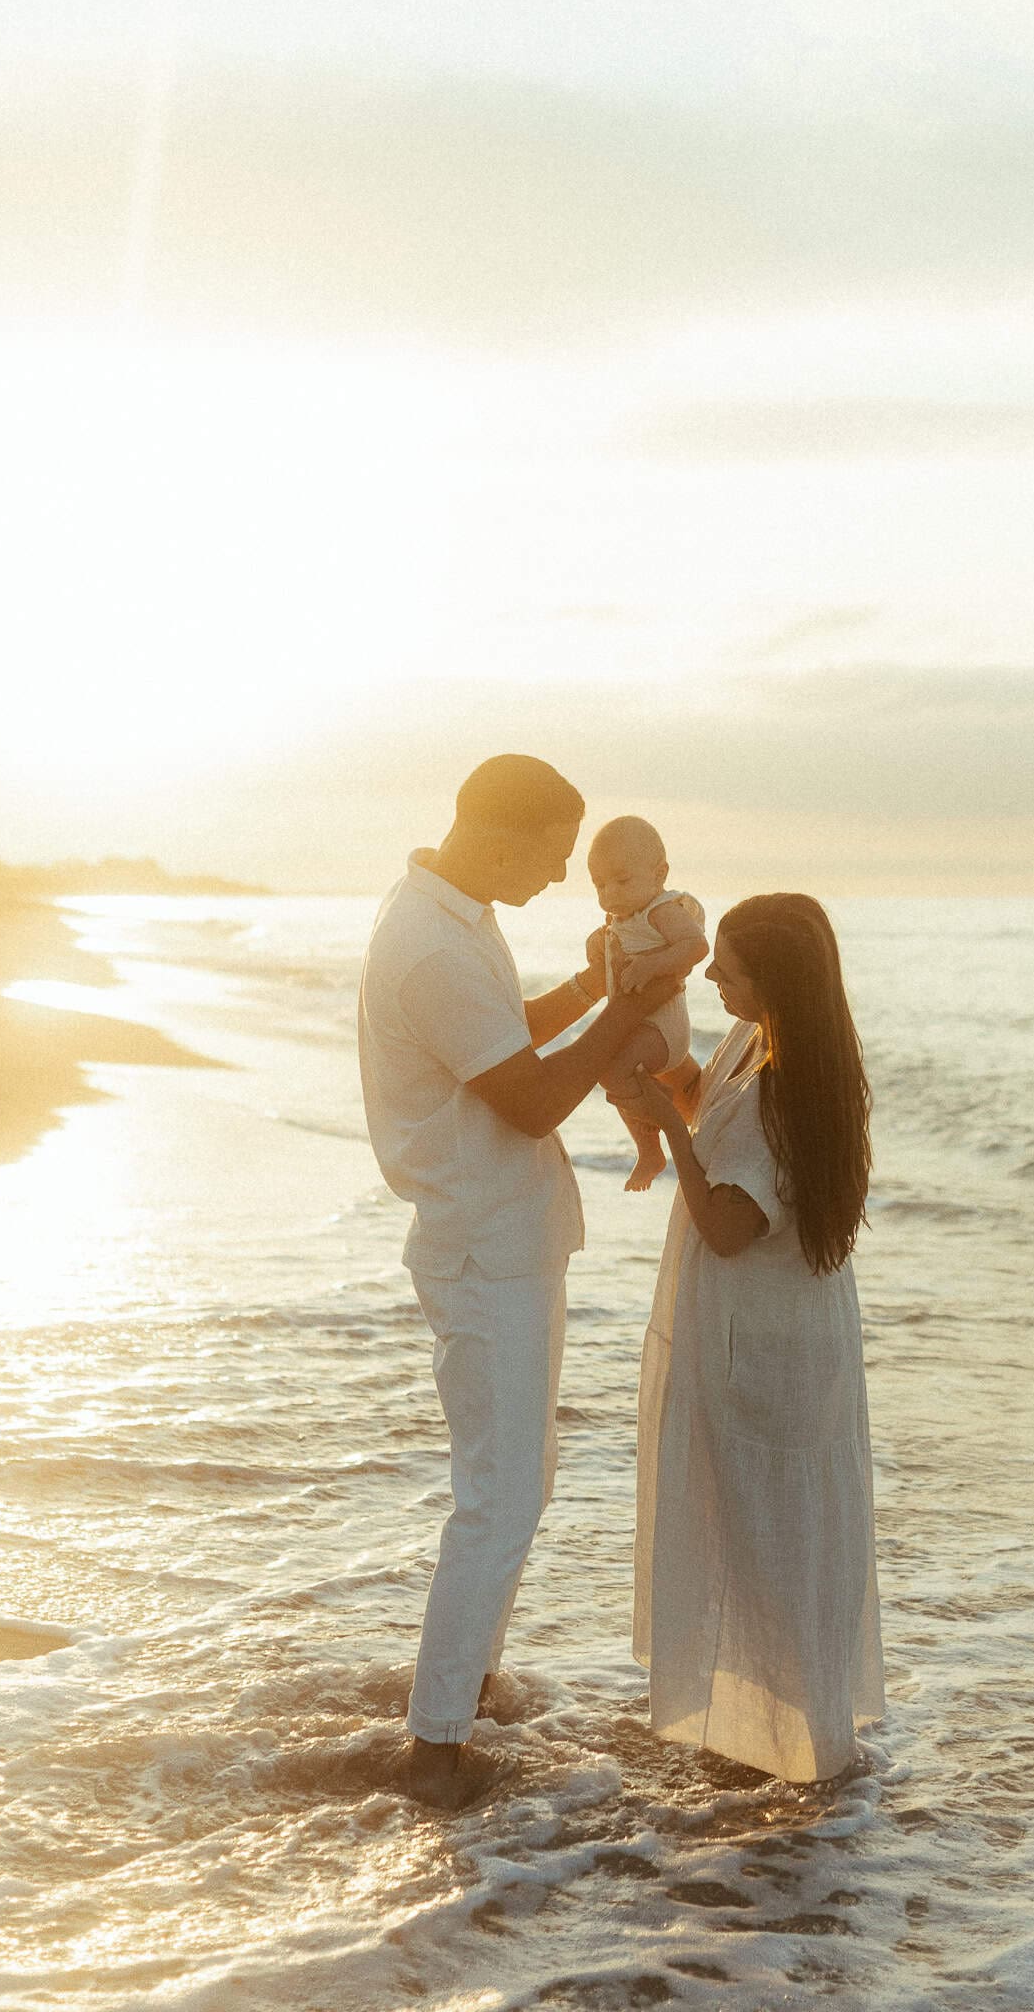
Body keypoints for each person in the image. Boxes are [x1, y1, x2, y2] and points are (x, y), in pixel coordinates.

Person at [358, 755, 678, 1808]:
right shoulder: (429, 945)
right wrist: (628, 1013)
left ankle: (471, 1687)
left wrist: (591, 989)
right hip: (483, 1243)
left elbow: (501, 1040)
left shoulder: (456, 914)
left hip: (506, 1236)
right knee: (496, 1500)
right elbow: (532, 1100)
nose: (556, 881)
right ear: (498, 841)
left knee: (518, 1485)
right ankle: (437, 1744)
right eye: (548, 858)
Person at [631, 893, 884, 1783]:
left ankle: (810, 1757)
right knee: (759, 1534)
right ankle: (766, 1742)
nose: (708, 977)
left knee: (775, 1544)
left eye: (726, 970)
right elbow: (716, 1105)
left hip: (768, 1352)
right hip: (772, 1332)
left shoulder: (789, 1085)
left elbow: (730, 1224)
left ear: (770, 980)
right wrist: (669, 1083)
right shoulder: (764, 1047)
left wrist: (668, 1134)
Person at [583, 816, 708, 1193]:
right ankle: (649, 1150)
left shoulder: (663, 909)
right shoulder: (624, 917)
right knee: (612, 1072)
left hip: (663, 1028)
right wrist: (597, 943)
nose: (610, 894)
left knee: (612, 1075)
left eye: (622, 881)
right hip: (639, 1024)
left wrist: (654, 963)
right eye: (600, 884)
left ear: (659, 874)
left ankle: (663, 1114)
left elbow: (696, 945)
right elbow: (615, 949)